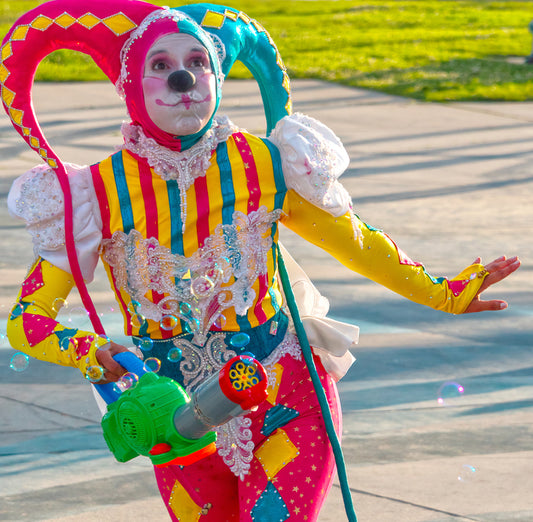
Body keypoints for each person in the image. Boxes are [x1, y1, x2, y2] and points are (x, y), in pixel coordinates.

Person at [2, 1, 520, 521]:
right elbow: (28, 321)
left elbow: (356, 242)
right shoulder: (91, 195)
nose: (184, 76)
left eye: (199, 62)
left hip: (286, 399)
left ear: (219, 76)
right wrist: (91, 351)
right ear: (128, 86)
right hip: (176, 426)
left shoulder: (268, 164)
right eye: (159, 65)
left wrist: (444, 293)